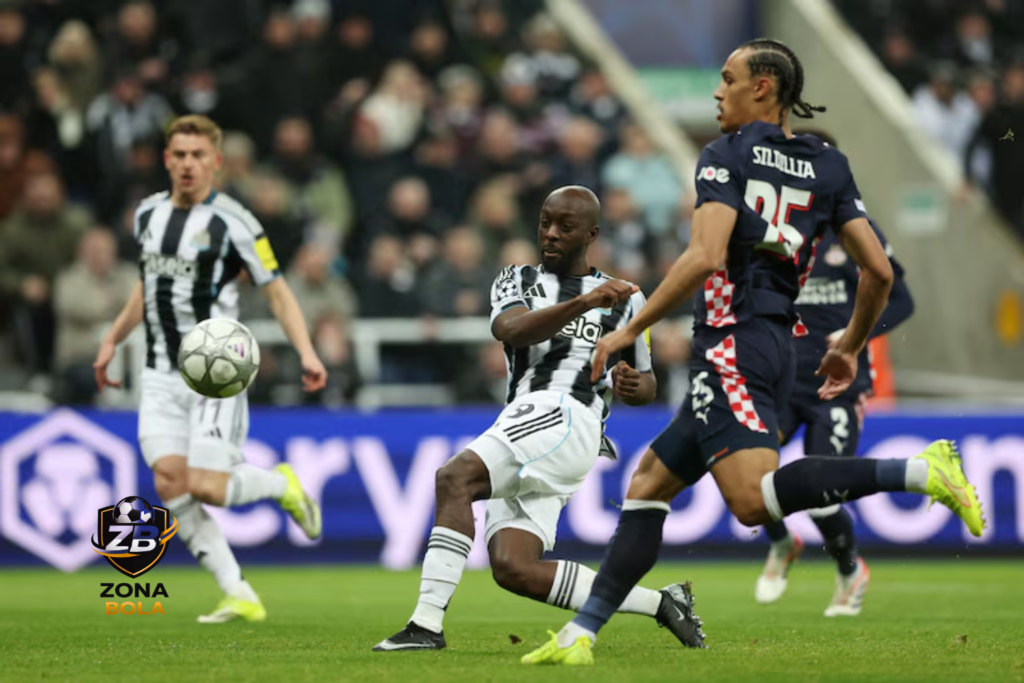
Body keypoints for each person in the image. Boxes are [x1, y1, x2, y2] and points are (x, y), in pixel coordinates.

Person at [523, 38, 984, 666]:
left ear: (762, 86)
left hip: (732, 342)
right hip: (773, 342)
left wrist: (631, 329)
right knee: (649, 484)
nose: (718, 92)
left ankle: (919, 472)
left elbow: (706, 255)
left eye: (728, 78)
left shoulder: (726, 154)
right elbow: (878, 272)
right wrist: (851, 345)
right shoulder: (828, 163)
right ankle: (580, 635)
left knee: (751, 501)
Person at [373, 186, 703, 652]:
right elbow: (511, 330)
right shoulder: (517, 279)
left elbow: (646, 381)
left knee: (454, 477)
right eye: (545, 223)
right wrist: (585, 303)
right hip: (527, 416)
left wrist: (634, 385)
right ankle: (663, 603)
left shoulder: (627, 297)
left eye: (565, 227)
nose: (550, 234)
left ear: (591, 235)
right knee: (514, 567)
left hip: (568, 414)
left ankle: (425, 625)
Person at [92, 115, 328, 624]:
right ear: (166, 159)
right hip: (158, 371)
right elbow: (146, 285)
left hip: (214, 372)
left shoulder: (235, 222)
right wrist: (112, 339)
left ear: (215, 162)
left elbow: (277, 290)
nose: (188, 164)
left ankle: (282, 485)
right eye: (179, 154)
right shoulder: (147, 214)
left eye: (198, 155)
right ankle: (238, 592)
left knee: (208, 488)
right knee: (169, 481)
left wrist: (307, 351)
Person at [754, 129, 916, 615]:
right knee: (746, 474)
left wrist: (854, 334)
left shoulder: (857, 232)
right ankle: (783, 542)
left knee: (821, 494)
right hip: (781, 383)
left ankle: (850, 570)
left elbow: (901, 299)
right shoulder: (774, 231)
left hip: (837, 388)